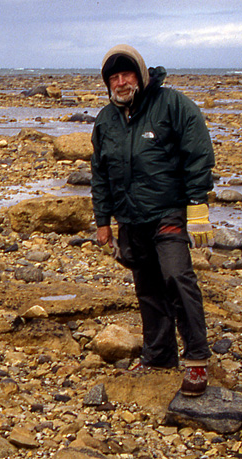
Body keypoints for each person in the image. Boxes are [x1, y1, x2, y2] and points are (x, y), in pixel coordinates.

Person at [90, 44, 215, 396]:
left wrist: (198, 207)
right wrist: (103, 221)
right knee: (147, 288)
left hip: (168, 212)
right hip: (131, 218)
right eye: (113, 77)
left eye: (126, 73)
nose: (120, 82)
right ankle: (159, 355)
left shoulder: (172, 105)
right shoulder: (105, 120)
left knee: (177, 277)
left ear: (141, 75)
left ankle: (196, 360)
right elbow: (100, 174)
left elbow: (199, 153)